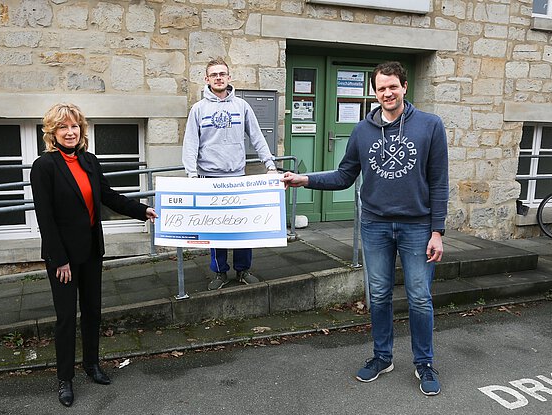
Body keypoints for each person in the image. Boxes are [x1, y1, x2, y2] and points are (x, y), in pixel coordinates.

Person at [282, 61, 449, 396]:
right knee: (378, 295)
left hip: (417, 226)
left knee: (419, 297)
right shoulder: (362, 131)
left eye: (393, 86)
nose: (387, 93)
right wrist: (304, 179)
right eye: (381, 88)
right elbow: (344, 176)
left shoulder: (430, 126)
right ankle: (382, 357)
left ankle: (424, 363)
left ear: (404, 87)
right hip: (374, 225)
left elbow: (439, 182)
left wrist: (437, 231)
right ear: (375, 92)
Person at [30, 103, 157, 407]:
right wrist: (59, 259)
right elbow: (44, 218)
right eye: (63, 127)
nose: (70, 132)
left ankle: (91, 365)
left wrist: (143, 211)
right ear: (52, 132)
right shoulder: (44, 166)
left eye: (74, 126)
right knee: (65, 318)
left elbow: (109, 197)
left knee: (92, 311)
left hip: (90, 251)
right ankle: (65, 379)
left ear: (81, 130)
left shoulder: (89, 161)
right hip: (63, 258)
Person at [182, 57, 279, 291]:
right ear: (207, 79)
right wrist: (191, 174)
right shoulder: (199, 109)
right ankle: (220, 273)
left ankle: (243, 270)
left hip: (237, 177)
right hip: (209, 178)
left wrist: (270, 164)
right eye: (213, 74)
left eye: (222, 74)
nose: (218, 78)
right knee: (216, 230)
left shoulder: (242, 106)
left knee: (242, 227)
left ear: (229, 77)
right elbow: (190, 143)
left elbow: (257, 136)